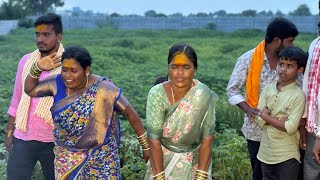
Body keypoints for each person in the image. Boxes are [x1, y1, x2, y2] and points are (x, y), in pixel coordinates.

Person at [23, 46, 150, 179]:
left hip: (102, 158)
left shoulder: (104, 89)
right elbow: (30, 89)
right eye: (64, 70)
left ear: (87, 70)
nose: (68, 76)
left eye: (74, 71)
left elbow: (131, 114)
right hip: (67, 158)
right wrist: (37, 67)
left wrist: (145, 146)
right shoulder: (56, 83)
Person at [226, 17, 299, 180]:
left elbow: (300, 91)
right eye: (290, 41)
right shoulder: (248, 59)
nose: (292, 45)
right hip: (256, 132)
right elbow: (232, 90)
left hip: (285, 133)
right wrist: (248, 109)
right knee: (260, 174)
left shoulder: (290, 60)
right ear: (277, 40)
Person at [144, 43, 218, 180]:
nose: (180, 73)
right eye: (174, 67)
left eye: (186, 67)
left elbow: (207, 139)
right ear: (168, 68)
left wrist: (200, 177)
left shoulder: (203, 94)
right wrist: (159, 177)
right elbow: (153, 139)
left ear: (195, 70)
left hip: (195, 161)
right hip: (162, 159)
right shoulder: (157, 94)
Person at [5, 13, 64, 180]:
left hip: (55, 141)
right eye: (37, 34)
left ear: (58, 37)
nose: (40, 39)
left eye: (46, 35)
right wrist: (10, 132)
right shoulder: (26, 61)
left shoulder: (69, 65)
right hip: (23, 136)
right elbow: (17, 98)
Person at [255, 46, 307, 180]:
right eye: (281, 64)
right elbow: (259, 120)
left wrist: (267, 116)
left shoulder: (298, 95)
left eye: (289, 66)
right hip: (265, 153)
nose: (283, 69)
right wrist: (279, 120)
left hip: (287, 156)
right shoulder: (268, 89)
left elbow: (290, 127)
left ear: (300, 70)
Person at [300, 36, 320, 179]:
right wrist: (304, 120)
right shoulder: (315, 43)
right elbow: (307, 85)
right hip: (313, 123)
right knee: (312, 167)